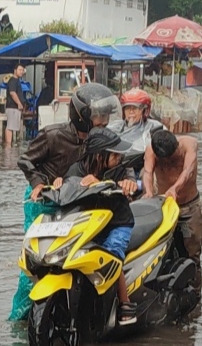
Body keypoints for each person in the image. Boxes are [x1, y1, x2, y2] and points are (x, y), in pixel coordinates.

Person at [10, 83, 117, 320]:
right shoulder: (53, 135)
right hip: (43, 202)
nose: (103, 121)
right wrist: (40, 183)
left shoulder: (97, 141)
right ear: (82, 116)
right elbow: (26, 161)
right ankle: (20, 318)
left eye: (105, 116)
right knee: (35, 264)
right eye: (99, 116)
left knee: (74, 256)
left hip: (73, 202)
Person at [51, 128, 140, 325]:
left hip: (117, 223)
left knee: (112, 253)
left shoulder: (121, 169)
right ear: (100, 155)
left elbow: (131, 182)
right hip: (88, 224)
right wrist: (58, 183)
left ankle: (125, 303)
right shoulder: (76, 170)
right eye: (114, 154)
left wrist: (127, 185)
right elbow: (65, 189)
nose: (118, 157)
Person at [143, 129, 202, 294]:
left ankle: (195, 295)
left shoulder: (189, 144)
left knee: (193, 255)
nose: (169, 161)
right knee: (161, 254)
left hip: (189, 206)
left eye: (172, 157)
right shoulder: (151, 151)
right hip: (164, 208)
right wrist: (148, 191)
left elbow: (188, 171)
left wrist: (175, 188)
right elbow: (148, 172)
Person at [4, 64, 27, 146]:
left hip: (15, 108)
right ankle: (8, 146)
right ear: (15, 70)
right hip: (12, 107)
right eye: (19, 70)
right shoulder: (13, 80)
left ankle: (9, 145)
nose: (21, 72)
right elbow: (12, 93)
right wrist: (19, 104)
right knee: (10, 127)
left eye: (22, 70)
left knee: (12, 127)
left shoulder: (17, 81)